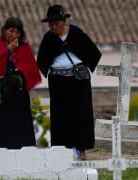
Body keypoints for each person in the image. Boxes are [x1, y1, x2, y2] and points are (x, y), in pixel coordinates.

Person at [37, 5, 101, 160]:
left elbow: (93, 53)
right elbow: (41, 59)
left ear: (63, 21)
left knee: (81, 115)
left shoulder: (76, 34)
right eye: (50, 24)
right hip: (58, 82)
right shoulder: (49, 38)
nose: (53, 27)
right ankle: (61, 152)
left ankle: (81, 151)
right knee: (60, 115)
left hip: (78, 81)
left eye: (56, 23)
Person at [0, 17, 41, 151]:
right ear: (4, 30)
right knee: (0, 126)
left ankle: (25, 153)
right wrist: (8, 50)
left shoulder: (24, 47)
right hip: (0, 94)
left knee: (20, 125)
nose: (14, 35)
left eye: (17, 32)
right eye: (11, 31)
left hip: (19, 95)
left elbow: (29, 67)